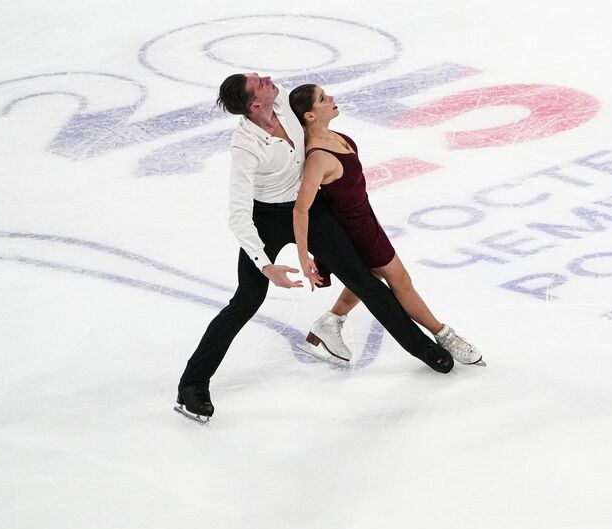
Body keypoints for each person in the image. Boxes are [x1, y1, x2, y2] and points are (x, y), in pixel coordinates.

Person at [175, 73, 455, 425]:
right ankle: (192, 385)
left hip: (311, 210)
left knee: (364, 280)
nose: (267, 78)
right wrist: (265, 265)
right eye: (259, 82)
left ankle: (425, 348)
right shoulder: (245, 148)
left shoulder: (283, 103)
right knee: (246, 301)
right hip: (265, 219)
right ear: (254, 105)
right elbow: (237, 216)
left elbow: (317, 119)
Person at [289, 83, 483, 367]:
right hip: (355, 229)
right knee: (400, 281)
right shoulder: (318, 156)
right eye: (322, 98)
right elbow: (301, 209)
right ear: (309, 115)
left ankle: (329, 323)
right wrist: (303, 256)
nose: (330, 98)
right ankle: (445, 335)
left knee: (369, 279)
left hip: (366, 218)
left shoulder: (336, 137)